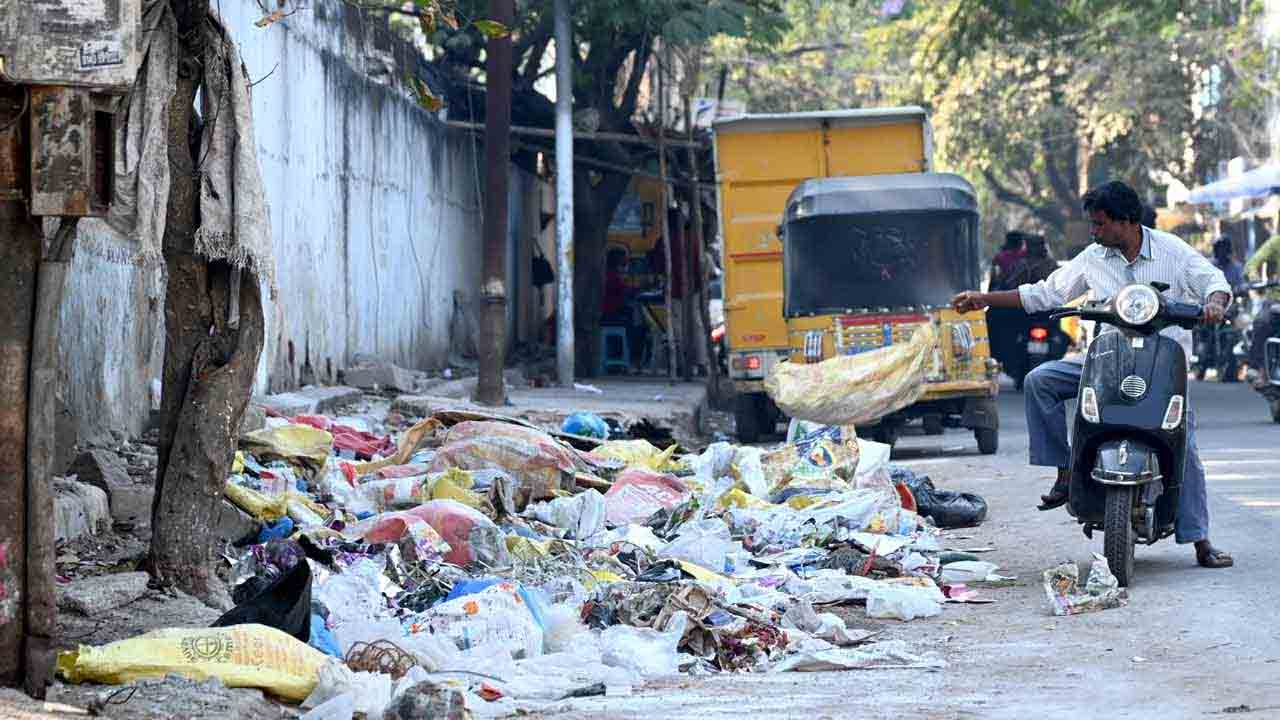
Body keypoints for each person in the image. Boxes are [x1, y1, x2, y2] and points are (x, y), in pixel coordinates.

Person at [951, 180, 1234, 569]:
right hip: (1105, 360)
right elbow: (1045, 293)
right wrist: (984, 299)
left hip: (1162, 367)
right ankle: (1065, 470)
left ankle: (1201, 541)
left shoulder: (1173, 251)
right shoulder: (1093, 257)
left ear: (1127, 221)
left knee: (1185, 443)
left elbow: (1214, 282)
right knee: (1039, 381)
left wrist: (1215, 304)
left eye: (1100, 224)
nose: (1094, 231)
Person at [1243, 229, 1280, 381]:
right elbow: (1252, 263)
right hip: (1276, 299)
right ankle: (1255, 366)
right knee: (1261, 322)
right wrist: (1254, 278)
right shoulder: (1277, 242)